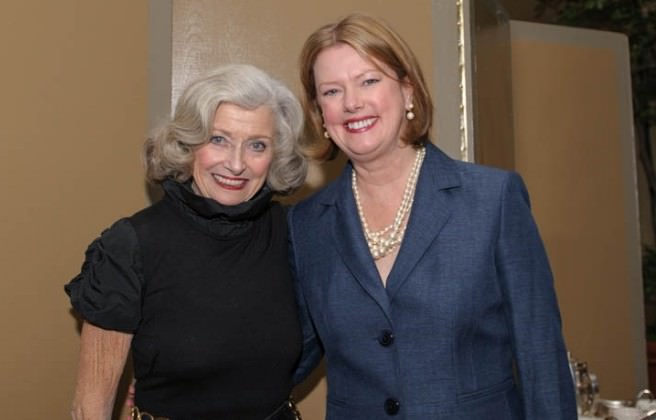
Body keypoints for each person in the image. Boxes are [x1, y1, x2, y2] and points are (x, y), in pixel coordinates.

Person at [288, 13, 577, 419]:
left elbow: (540, 355)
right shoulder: (306, 224)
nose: (351, 102)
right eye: (332, 91)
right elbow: (288, 355)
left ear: (408, 92)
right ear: (320, 114)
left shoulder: (492, 200)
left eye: (369, 80)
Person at [65, 64, 307, 420]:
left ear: (275, 156)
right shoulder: (131, 245)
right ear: (189, 143)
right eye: (218, 139)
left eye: (257, 145)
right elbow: (91, 408)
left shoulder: (295, 232)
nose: (236, 164)